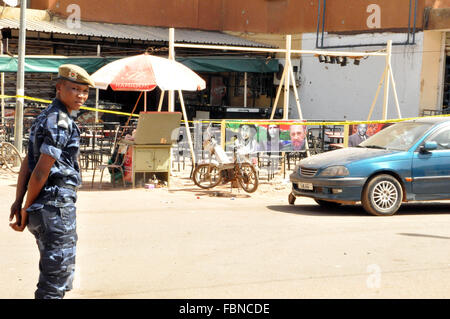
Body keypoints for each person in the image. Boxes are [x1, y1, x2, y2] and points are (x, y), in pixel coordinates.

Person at [9, 64, 95, 299]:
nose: (81, 95)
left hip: (44, 208)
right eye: (75, 89)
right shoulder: (61, 121)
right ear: (59, 88)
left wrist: (19, 201)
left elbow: (28, 161)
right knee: (54, 282)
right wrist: (24, 207)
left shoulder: (44, 117)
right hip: (55, 207)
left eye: (85, 91)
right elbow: (39, 171)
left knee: (52, 275)